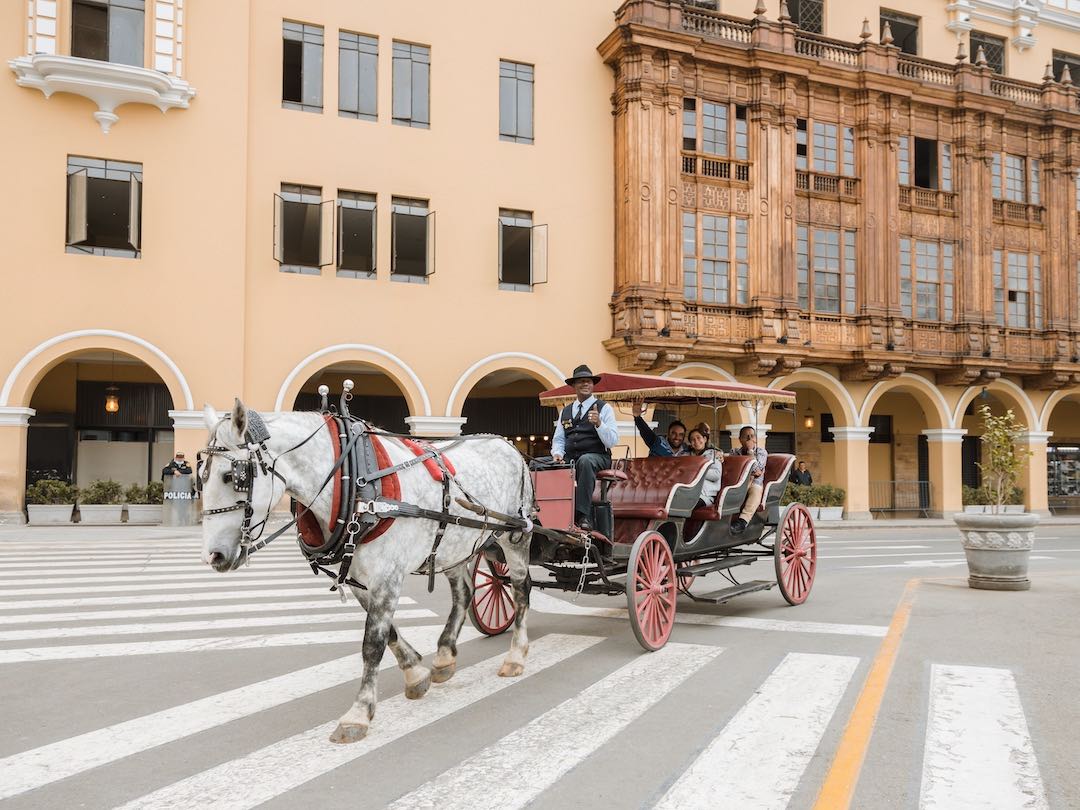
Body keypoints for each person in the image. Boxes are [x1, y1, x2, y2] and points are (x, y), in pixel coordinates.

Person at [546, 364, 618, 531]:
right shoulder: (566, 411)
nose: (585, 384)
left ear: (593, 385)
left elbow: (612, 441)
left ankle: (582, 515)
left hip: (598, 456)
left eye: (589, 381)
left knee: (585, 461)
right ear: (574, 386)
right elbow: (559, 439)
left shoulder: (604, 408)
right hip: (571, 457)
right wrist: (557, 454)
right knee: (540, 464)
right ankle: (547, 510)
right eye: (581, 381)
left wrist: (599, 424)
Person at [730, 426, 767, 534]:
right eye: (746, 436)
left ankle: (743, 521)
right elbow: (733, 469)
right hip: (738, 482)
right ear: (740, 439)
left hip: (754, 484)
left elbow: (757, 470)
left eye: (752, 436)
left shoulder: (761, 452)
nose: (749, 439)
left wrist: (751, 451)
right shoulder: (734, 452)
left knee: (756, 490)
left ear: (755, 439)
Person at [687, 428, 724, 508]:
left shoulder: (713, 454)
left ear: (705, 439)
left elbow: (716, 475)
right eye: (692, 439)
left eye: (698, 438)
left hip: (706, 495)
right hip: (689, 492)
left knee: (687, 504)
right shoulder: (689, 457)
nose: (696, 441)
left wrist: (697, 470)